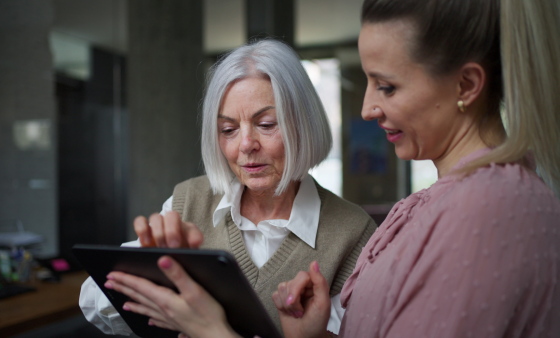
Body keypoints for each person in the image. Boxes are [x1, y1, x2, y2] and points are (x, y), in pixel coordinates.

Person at [102, 0, 560, 337]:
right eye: (227, 129)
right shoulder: (446, 203)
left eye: (387, 86)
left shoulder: (486, 210)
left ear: (467, 84)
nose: (366, 108)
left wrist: (211, 330)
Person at [80, 38, 377, 336]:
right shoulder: (189, 201)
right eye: (228, 130)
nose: (245, 145)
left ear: (304, 124)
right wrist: (155, 273)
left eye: (267, 123)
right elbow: (93, 299)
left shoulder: (352, 233)